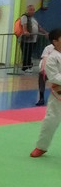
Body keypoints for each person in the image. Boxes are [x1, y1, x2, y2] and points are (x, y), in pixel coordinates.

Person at [30, 27, 61, 158]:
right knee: (51, 120)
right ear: (55, 41)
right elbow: (54, 77)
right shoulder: (51, 57)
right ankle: (41, 146)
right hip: (58, 94)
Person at [19, 4, 44, 71]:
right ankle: (25, 67)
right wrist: (25, 31)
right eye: (30, 10)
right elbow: (24, 26)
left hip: (33, 40)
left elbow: (39, 28)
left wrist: (45, 33)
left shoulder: (33, 19)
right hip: (26, 40)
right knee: (26, 54)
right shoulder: (24, 17)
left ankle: (29, 66)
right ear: (27, 10)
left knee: (29, 54)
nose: (32, 11)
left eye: (33, 10)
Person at [35, 36, 55, 106]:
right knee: (41, 77)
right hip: (48, 68)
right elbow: (44, 58)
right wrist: (42, 69)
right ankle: (41, 98)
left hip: (57, 70)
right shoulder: (48, 48)